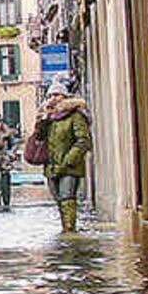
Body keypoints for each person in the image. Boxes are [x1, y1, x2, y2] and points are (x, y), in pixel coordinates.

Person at [39, 80, 91, 233]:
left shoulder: (75, 115)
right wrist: (43, 118)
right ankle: (66, 228)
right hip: (52, 166)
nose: (53, 98)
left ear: (64, 96)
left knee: (67, 198)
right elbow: (39, 138)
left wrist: (69, 160)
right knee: (59, 200)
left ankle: (70, 232)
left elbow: (83, 140)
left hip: (70, 167)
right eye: (50, 95)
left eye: (56, 94)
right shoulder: (49, 117)